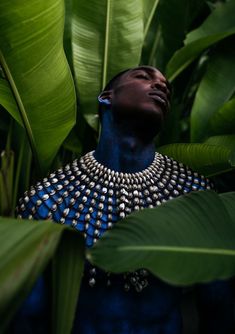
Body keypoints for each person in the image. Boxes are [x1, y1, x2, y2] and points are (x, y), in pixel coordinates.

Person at [14, 66, 234, 333]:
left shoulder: (195, 197)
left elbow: (220, 312)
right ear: (107, 97)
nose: (161, 85)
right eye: (144, 77)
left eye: (166, 85)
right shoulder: (48, 202)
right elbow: (29, 320)